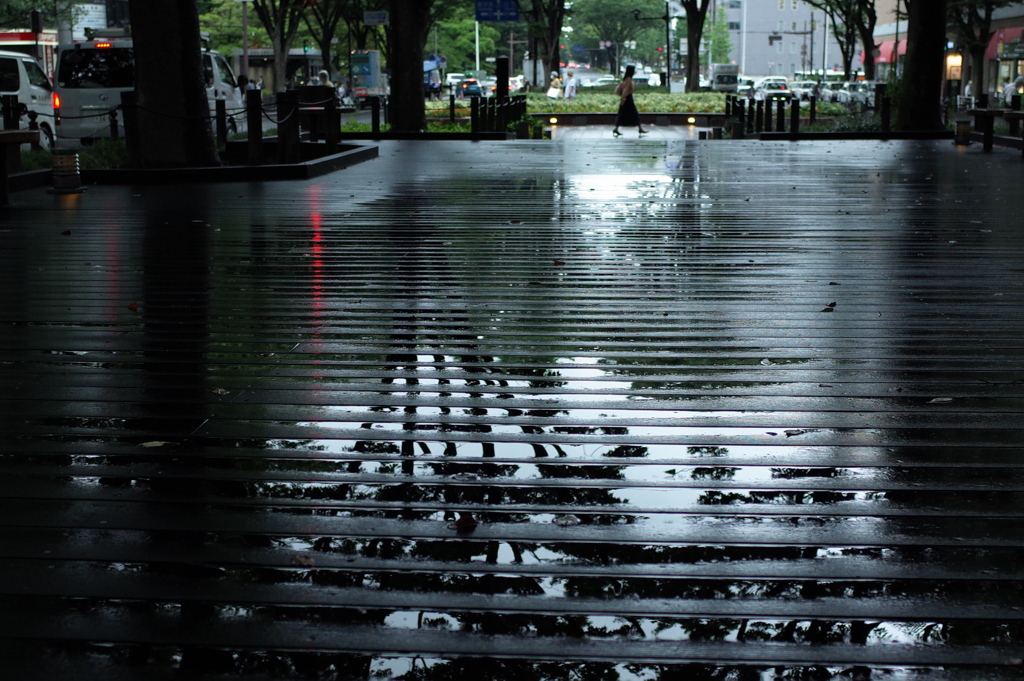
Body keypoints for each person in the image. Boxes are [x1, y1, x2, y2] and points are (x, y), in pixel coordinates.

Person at [612, 65, 647, 136]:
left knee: (622, 113)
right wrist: (623, 98)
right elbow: (626, 90)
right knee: (633, 114)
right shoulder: (628, 80)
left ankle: (617, 128)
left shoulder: (626, 79)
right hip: (628, 99)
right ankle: (639, 128)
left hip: (627, 98)